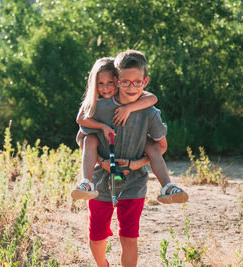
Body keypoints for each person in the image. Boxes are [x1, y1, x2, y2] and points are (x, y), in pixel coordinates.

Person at [80, 50, 188, 267]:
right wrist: (102, 162)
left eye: (137, 82)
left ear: (145, 81)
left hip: (134, 181)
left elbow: (161, 146)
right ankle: (103, 265)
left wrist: (137, 164)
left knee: (129, 236)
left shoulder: (149, 112)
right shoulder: (101, 107)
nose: (132, 87)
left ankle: (168, 187)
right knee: (96, 236)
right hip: (101, 180)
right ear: (117, 81)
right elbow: (83, 138)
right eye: (126, 82)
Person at [71, 56, 187, 205]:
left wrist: (129, 108)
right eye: (101, 83)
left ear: (116, 81)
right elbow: (81, 126)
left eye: (110, 83)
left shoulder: (142, 102)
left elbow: (152, 98)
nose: (106, 88)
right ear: (119, 81)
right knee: (89, 139)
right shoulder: (97, 105)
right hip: (101, 165)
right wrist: (102, 130)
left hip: (134, 173)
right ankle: (86, 183)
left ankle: (167, 186)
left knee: (151, 145)